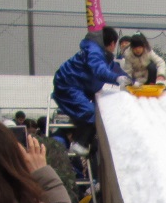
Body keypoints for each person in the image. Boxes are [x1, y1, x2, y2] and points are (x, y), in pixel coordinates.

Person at [51, 26, 129, 154]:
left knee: (95, 111)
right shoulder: (95, 52)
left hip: (78, 84)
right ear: (112, 43)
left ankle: (85, 142)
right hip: (68, 85)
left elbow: (113, 68)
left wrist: (130, 81)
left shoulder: (101, 54)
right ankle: (80, 142)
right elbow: (100, 70)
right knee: (90, 112)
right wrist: (117, 78)